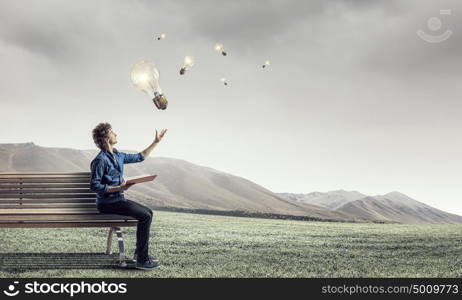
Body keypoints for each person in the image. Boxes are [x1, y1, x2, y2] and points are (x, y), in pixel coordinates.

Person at [89, 122, 167, 270]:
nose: (116, 134)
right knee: (145, 216)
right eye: (112, 132)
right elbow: (95, 186)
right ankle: (142, 260)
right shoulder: (100, 161)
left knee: (148, 213)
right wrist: (119, 187)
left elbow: (140, 157)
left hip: (118, 200)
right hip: (107, 204)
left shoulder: (118, 155)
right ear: (106, 138)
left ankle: (140, 255)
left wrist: (155, 142)